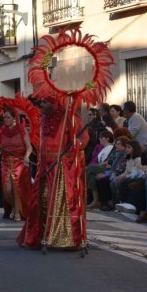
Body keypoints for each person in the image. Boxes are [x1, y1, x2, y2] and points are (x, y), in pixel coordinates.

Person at [17, 97, 88, 250]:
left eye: (45, 102)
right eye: (41, 103)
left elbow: (83, 138)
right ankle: (39, 236)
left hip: (63, 168)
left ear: (55, 103)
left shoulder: (70, 117)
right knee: (41, 201)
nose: (41, 105)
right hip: (44, 167)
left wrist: (77, 144)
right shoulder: (43, 118)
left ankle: (65, 238)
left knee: (61, 201)